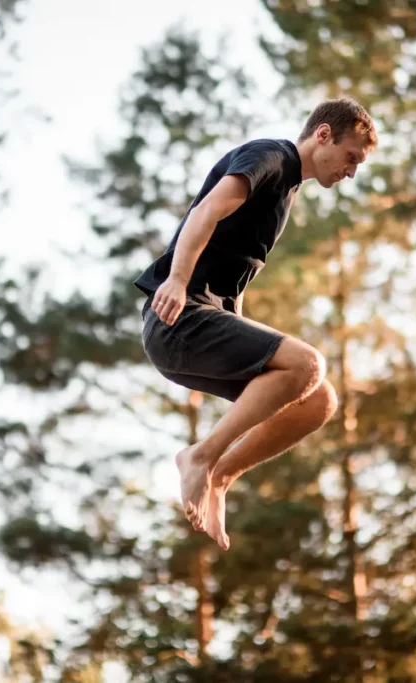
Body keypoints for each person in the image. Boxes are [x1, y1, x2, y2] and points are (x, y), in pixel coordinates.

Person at [134, 97, 378, 550]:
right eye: (351, 158)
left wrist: (245, 336)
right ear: (323, 134)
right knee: (309, 365)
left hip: (200, 327)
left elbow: (235, 277)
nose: (351, 172)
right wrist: (177, 280)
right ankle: (200, 458)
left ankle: (221, 476)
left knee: (318, 400)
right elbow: (207, 211)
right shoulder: (270, 156)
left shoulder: (288, 190)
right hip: (177, 319)